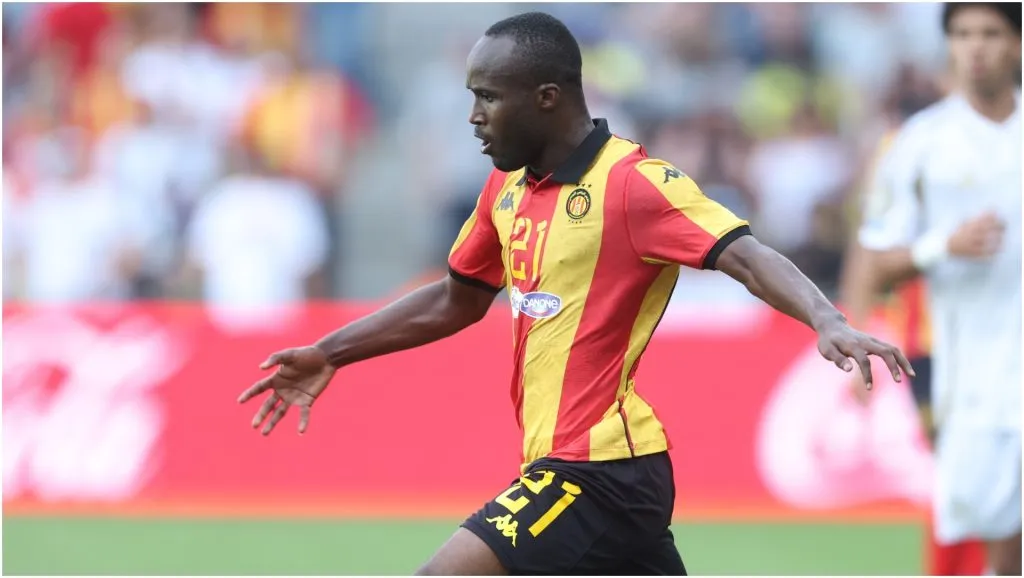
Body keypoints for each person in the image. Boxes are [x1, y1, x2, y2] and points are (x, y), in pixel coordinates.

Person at [238, 12, 913, 575]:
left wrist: (827, 318)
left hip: (596, 468)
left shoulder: (634, 184)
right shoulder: (506, 187)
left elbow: (745, 254)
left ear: (547, 97)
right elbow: (457, 298)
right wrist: (332, 350)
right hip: (601, 475)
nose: (473, 116)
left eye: (488, 97)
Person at [857, 3, 1021, 575]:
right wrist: (940, 247)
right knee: (989, 525)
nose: (975, 47)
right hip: (963, 366)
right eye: (963, 34)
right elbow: (873, 258)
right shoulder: (919, 143)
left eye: (992, 33)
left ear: (1018, 44)